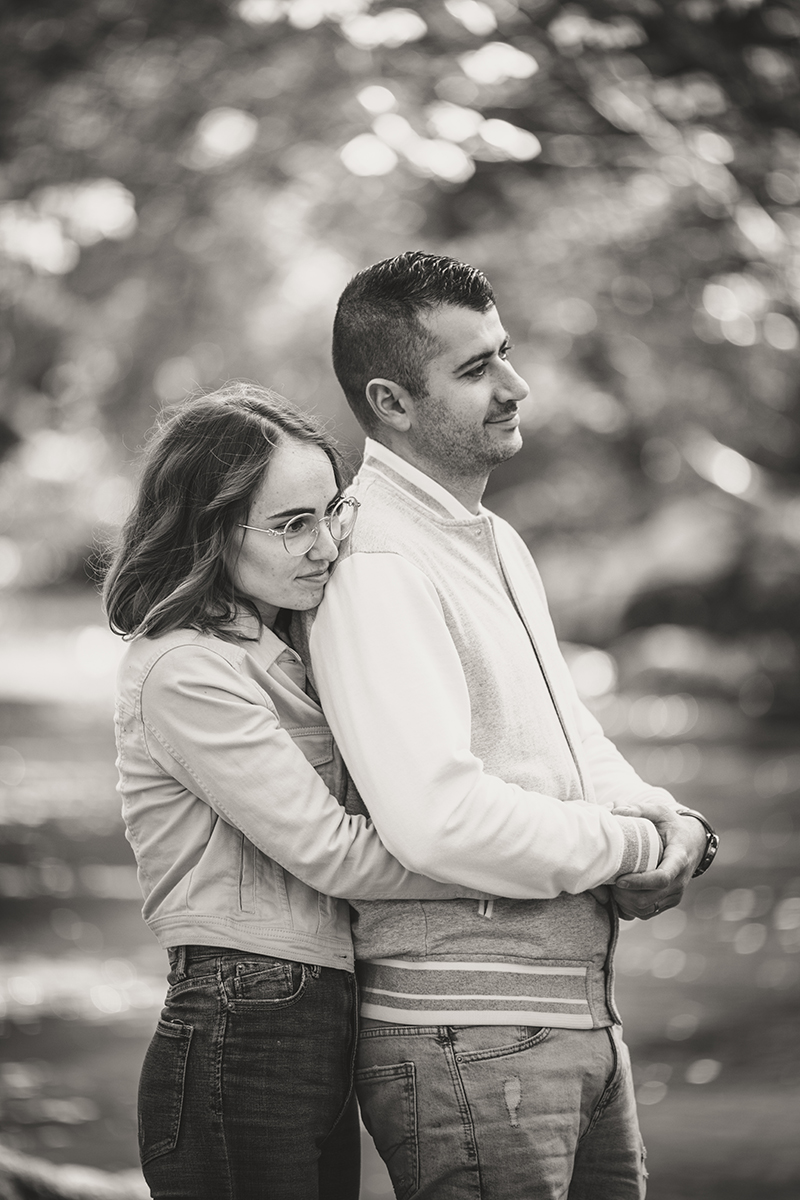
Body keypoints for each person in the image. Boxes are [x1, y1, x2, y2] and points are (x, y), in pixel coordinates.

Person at [308, 252, 720, 1199]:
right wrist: (625, 846)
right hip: (469, 1042)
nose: (515, 384)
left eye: (505, 352)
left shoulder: (494, 540)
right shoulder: (375, 560)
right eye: (475, 368)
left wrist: (676, 826)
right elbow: (437, 818)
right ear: (393, 400)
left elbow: (577, 740)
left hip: (573, 1022)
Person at [103, 383, 492, 1200]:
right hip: (241, 1021)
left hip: (308, 1010)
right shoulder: (185, 669)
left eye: (332, 512)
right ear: (210, 530)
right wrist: (516, 869)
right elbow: (335, 852)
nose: (326, 546)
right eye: (292, 525)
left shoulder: (282, 643)